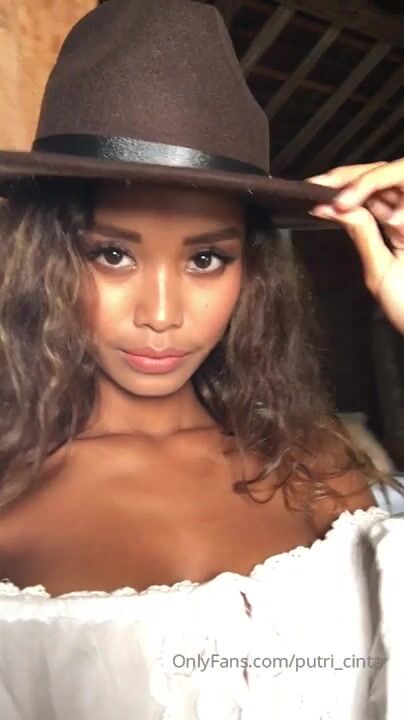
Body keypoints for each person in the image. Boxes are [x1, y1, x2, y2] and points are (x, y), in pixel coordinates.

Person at [0, 1, 402, 718]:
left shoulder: (318, 464)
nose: (161, 314)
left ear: (253, 273)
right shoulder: (11, 501)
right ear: (49, 259)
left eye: (207, 258)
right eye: (113, 254)